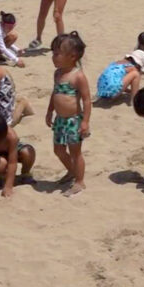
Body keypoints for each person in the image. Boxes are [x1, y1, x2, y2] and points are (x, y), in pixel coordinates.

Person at [46, 32, 92, 197]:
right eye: (53, 53)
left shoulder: (78, 76)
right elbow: (55, 93)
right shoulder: (57, 74)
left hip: (73, 120)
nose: (53, 57)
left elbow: (86, 100)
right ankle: (72, 171)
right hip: (60, 120)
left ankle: (80, 181)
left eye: (57, 53)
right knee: (58, 150)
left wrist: (85, 122)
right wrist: (50, 110)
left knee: (75, 152)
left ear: (72, 56)